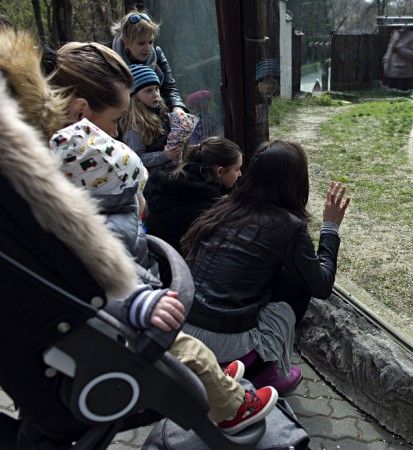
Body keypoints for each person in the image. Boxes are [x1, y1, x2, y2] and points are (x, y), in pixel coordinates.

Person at [47, 40, 277, 433]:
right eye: (119, 118)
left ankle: (216, 377)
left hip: (110, 312)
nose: (119, 131)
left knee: (188, 343)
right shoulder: (95, 213)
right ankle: (232, 406)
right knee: (183, 343)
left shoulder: (59, 178)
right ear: (80, 112)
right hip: (120, 328)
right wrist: (141, 300)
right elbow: (112, 273)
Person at [181, 140, 350, 393]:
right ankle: (263, 371)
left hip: (184, 329)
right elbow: (322, 285)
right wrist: (330, 227)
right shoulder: (288, 226)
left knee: (280, 274)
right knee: (299, 284)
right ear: (296, 181)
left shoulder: (223, 207)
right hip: (225, 341)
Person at [146, 136, 243, 251]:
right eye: (237, 169)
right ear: (219, 171)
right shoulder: (203, 206)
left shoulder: (174, 179)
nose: (240, 174)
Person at [111, 10, 186, 114]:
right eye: (141, 43)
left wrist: (177, 107)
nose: (148, 48)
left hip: (156, 114)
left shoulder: (157, 54)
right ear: (126, 42)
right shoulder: (111, 59)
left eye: (150, 42)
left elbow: (169, 88)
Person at [122, 64, 177, 173]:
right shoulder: (135, 124)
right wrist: (164, 155)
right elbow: (137, 158)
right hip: (153, 177)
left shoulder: (162, 112)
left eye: (157, 89)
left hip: (172, 166)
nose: (155, 94)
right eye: (148, 90)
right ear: (135, 96)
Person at [382, 26, 413, 92]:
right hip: (390, 73)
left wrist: (400, 50)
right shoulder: (395, 31)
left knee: (402, 98)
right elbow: (390, 49)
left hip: (405, 76)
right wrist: (385, 62)